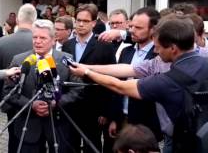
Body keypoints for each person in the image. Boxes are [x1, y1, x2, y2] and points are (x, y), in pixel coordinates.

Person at [70, 17, 206, 153]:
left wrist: (87, 72)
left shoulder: (167, 80)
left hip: (187, 142)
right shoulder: (200, 61)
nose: (155, 51)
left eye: (158, 47)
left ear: (173, 48)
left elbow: (120, 86)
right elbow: (128, 69)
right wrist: (85, 66)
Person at [3, 19, 83, 153]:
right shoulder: (19, 60)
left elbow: (78, 90)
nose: (37, 41)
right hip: (28, 127)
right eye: (35, 37)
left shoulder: (66, 59)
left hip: (58, 128)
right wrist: (31, 104)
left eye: (43, 38)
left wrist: (56, 102)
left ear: (53, 40)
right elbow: (8, 91)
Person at [62, 3, 116, 153]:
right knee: (69, 144)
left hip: (94, 108)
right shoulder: (67, 45)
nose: (80, 24)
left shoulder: (104, 46)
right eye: (78, 20)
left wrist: (106, 112)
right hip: (70, 106)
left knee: (91, 146)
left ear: (93, 23)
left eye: (85, 21)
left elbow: (112, 80)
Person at [109, 7, 162, 143]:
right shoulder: (126, 52)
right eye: (131, 26)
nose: (132, 30)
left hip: (146, 125)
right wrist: (115, 119)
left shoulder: (159, 56)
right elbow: (117, 86)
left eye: (138, 27)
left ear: (153, 30)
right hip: (123, 120)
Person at [0, 3, 37, 153]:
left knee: (13, 138)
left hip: (11, 100)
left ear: (18, 20)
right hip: (36, 101)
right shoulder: (42, 40)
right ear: (35, 20)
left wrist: (3, 99)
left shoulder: (2, 41)